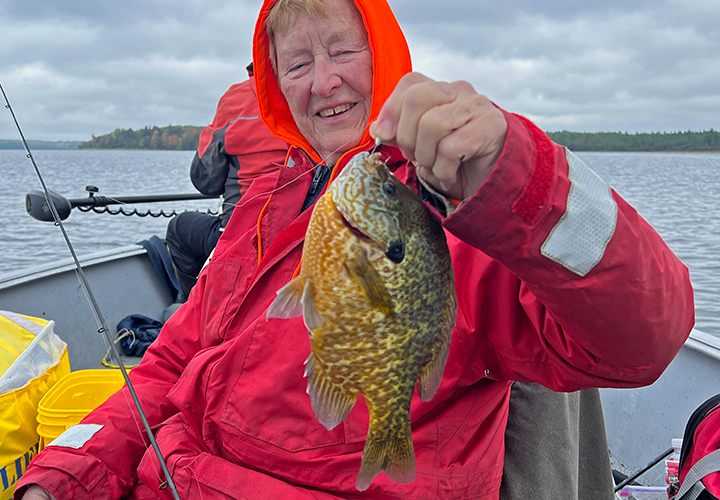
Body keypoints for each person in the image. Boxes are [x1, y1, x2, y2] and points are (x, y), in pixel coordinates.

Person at [17, 0, 694, 499]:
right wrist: (61, 475)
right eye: (298, 63)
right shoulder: (264, 201)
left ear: (385, 55)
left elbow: (645, 339)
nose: (323, 81)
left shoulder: (451, 214)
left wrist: (513, 168)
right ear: (276, 85)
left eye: (342, 51)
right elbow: (167, 366)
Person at [165, 63, 288, 299]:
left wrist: (211, 134)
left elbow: (205, 182)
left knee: (178, 228)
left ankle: (196, 307)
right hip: (296, 226)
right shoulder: (305, 91)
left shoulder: (236, 97)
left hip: (240, 232)